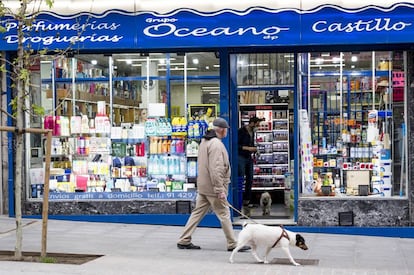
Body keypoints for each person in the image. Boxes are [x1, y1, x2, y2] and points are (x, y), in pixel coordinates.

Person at [177, 117, 250, 252]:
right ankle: (232, 243)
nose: (227, 132)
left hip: (204, 186)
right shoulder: (216, 144)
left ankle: (184, 239)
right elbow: (216, 168)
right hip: (213, 187)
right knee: (224, 213)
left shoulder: (205, 141)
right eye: (226, 130)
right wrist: (219, 189)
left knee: (197, 213)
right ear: (221, 130)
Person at [238, 116, 264, 216]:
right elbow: (237, 145)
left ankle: (247, 201)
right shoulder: (241, 131)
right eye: (257, 124)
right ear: (252, 123)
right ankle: (240, 201)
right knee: (241, 178)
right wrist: (248, 148)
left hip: (249, 158)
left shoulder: (252, 132)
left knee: (250, 178)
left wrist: (255, 150)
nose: (258, 126)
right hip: (241, 157)